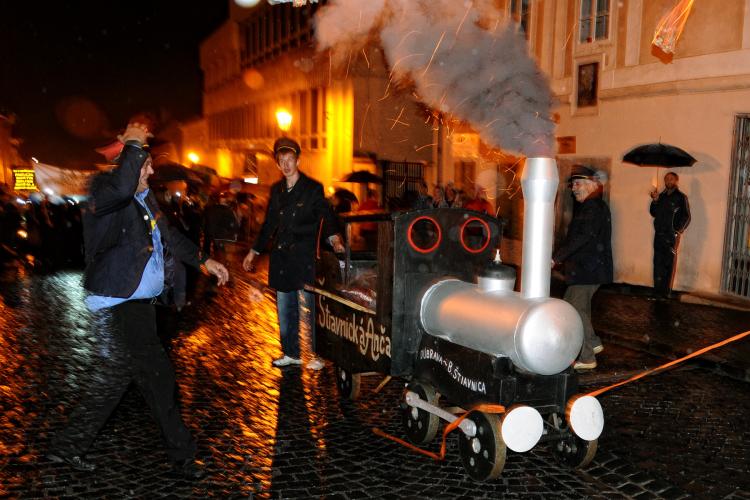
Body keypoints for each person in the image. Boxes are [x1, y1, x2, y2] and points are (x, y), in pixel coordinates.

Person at [46, 120, 229, 478]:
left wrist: (205, 260)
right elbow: (119, 186)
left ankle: (66, 447)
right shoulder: (105, 191)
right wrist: (132, 143)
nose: (150, 168)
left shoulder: (146, 201)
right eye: (143, 163)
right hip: (118, 304)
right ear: (127, 163)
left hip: (138, 307)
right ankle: (182, 456)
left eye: (146, 162)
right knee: (147, 377)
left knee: (131, 379)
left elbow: (171, 239)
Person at [242, 137, 344, 370]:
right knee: (284, 308)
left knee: (308, 309)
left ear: (298, 160)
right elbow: (269, 224)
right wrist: (253, 251)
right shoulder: (276, 190)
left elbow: (326, 216)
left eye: (290, 159)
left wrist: (334, 239)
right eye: (281, 160)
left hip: (304, 257)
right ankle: (291, 352)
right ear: (278, 164)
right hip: (281, 258)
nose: (286, 164)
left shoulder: (312, 188)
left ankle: (314, 354)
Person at [552, 165, 612, 371]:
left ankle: (587, 357)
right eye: (573, 185)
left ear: (590, 185)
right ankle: (593, 343)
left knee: (573, 310)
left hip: (587, 270)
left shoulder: (592, 207)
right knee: (581, 309)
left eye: (578, 184)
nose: (574, 188)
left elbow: (583, 237)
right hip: (590, 269)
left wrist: (556, 258)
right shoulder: (594, 205)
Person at [649, 172, 690, 298]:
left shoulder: (681, 197)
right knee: (657, 263)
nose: (668, 181)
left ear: (676, 180)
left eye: (671, 179)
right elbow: (653, 213)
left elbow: (687, 216)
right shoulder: (660, 196)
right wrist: (655, 201)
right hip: (659, 235)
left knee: (668, 264)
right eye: (666, 179)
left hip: (671, 235)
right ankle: (657, 292)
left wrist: (677, 230)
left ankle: (665, 293)